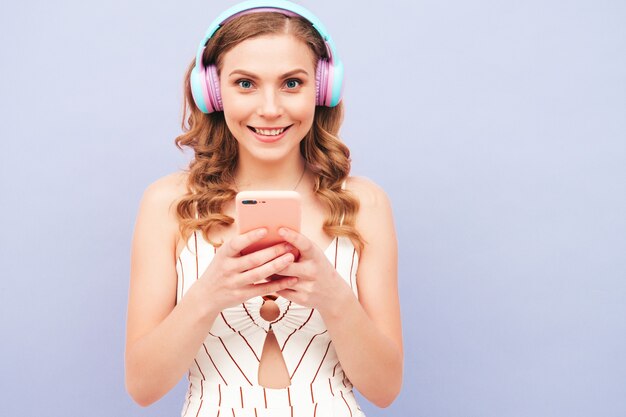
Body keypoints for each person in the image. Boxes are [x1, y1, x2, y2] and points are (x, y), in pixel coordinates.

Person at [124, 1, 403, 416]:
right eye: (245, 84)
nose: (270, 108)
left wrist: (334, 297)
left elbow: (385, 389)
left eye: (292, 83)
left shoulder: (365, 205)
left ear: (322, 89)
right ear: (213, 93)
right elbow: (143, 387)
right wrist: (209, 293)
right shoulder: (168, 204)